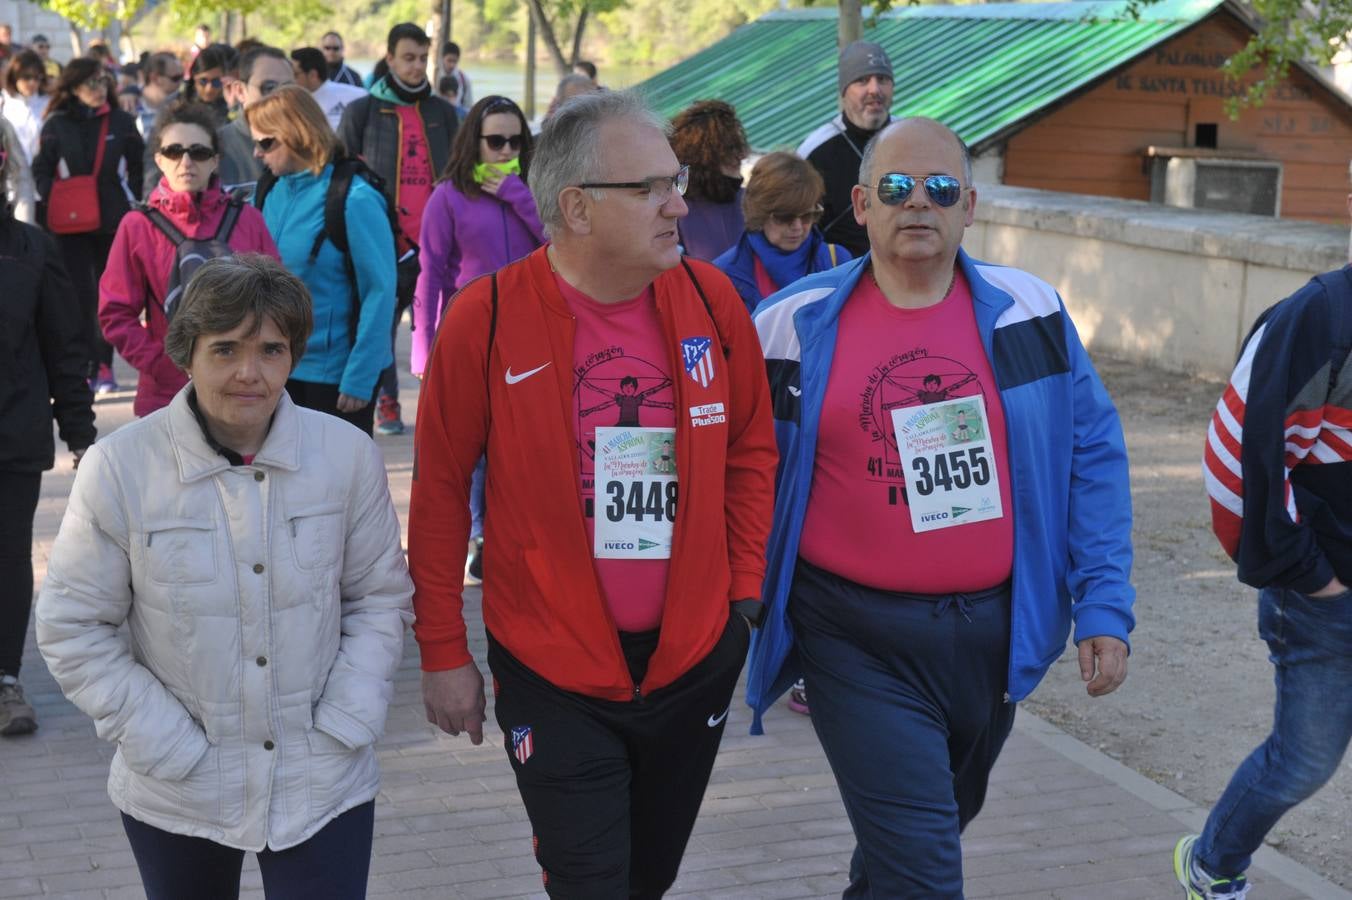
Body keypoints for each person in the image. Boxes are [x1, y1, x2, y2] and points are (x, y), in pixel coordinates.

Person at [747, 117, 1135, 897]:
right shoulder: (791, 323)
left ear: (971, 206)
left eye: (940, 189)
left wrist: (1103, 604)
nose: (916, 203)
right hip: (853, 637)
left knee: (918, 840)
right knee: (924, 866)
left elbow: (1092, 453)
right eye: (895, 188)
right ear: (859, 205)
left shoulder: (1030, 312)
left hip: (991, 637)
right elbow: (741, 471)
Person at [409, 90, 777, 898]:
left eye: (674, 180)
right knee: (590, 883)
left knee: (646, 879)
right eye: (650, 187)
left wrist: (743, 601)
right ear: (575, 208)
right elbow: (437, 494)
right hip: (552, 670)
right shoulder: (488, 318)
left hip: (693, 660)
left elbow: (752, 449)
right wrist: (442, 651)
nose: (679, 203)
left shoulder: (714, 303)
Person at [35, 254, 413, 898]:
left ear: (293, 356)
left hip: (323, 779)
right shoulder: (120, 467)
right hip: (177, 787)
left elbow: (377, 598)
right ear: (186, 353)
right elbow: (74, 627)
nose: (249, 373)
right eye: (226, 349)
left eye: (271, 349)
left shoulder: (346, 456)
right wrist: (167, 743)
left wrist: (348, 720)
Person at [1176, 266, 1352, 900]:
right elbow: (1243, 459)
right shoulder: (1323, 315)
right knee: (1305, 760)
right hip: (1326, 596)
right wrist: (1315, 579)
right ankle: (1213, 862)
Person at [412, 94, 544, 583]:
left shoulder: (534, 190)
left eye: (515, 140)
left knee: (525, 434)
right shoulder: (448, 196)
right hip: (471, 335)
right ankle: (480, 536)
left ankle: (519, 528)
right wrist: (424, 348)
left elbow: (560, 246)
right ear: (475, 141)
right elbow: (431, 274)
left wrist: (518, 194)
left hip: (531, 333)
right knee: (475, 440)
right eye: (495, 141)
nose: (505, 149)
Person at [0, 139, 95, 737]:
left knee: (8, 553)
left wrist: (82, 432)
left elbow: (65, 347)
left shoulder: (33, 250)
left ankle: (6, 678)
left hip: (14, 431)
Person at [100, 102, 279, 418]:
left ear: (215, 161)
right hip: (166, 395)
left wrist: (259, 363)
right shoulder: (138, 225)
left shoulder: (247, 219)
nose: (185, 162)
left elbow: (277, 301)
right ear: (159, 159)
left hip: (243, 389)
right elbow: (115, 312)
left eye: (198, 152)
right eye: (173, 151)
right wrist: (162, 363)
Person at [248, 85, 396, 435]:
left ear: (296, 134)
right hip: (272, 371)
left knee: (333, 486)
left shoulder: (354, 196)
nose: (257, 153)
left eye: (266, 143)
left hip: (334, 379)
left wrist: (361, 375)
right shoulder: (268, 189)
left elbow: (381, 289)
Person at [338, 22, 459, 436]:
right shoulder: (362, 112)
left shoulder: (444, 113)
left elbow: (461, 174)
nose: (416, 66)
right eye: (408, 58)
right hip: (383, 244)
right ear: (389, 58)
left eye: (422, 58)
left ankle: (441, 404)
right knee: (380, 327)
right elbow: (341, 176)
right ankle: (386, 400)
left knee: (444, 331)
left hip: (438, 247)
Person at [33, 57, 144, 394]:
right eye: (91, 83)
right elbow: (41, 168)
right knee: (77, 296)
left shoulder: (122, 121)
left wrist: (137, 201)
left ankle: (105, 363)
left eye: (103, 81)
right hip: (69, 226)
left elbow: (140, 164)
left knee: (108, 295)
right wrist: (55, 199)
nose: (99, 89)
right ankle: (84, 365)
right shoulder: (56, 123)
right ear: (73, 87)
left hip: (112, 220)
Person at [714, 151, 851, 315]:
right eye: (785, 218)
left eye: (808, 215)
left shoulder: (838, 260)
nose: (798, 227)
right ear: (759, 213)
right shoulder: (721, 275)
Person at [797, 40, 895, 258]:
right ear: (844, 91)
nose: (874, 89)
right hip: (840, 276)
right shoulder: (814, 152)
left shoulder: (912, 138)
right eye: (862, 80)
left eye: (882, 79)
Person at [670, 99, 748, 261]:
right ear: (703, 155)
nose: (742, 155)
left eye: (740, 146)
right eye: (731, 148)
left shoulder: (753, 201)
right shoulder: (675, 211)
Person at [217, 45, 293, 191]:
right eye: (269, 87)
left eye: (288, 89)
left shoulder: (310, 144)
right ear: (240, 91)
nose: (279, 97)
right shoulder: (214, 149)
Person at [2, 50, 48, 221]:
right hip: (11, 188)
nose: (32, 83)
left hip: (43, 188)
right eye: (26, 77)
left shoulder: (48, 103)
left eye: (37, 77)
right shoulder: (4, 105)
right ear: (14, 77)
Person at [291, 47, 364, 131]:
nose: (290, 79)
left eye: (295, 74)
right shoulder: (291, 102)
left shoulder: (356, 96)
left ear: (313, 75)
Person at [122, 52, 183, 139]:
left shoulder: (183, 102)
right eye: (175, 78)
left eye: (182, 76)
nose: (181, 82)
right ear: (155, 78)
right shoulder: (128, 105)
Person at [183, 45, 232, 125]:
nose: (209, 89)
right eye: (203, 81)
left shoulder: (232, 105)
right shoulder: (180, 106)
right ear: (194, 78)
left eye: (216, 81)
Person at [440, 40, 471, 107]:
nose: (452, 65)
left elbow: (468, 104)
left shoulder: (464, 79)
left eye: (455, 61)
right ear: (442, 57)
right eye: (449, 60)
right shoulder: (434, 77)